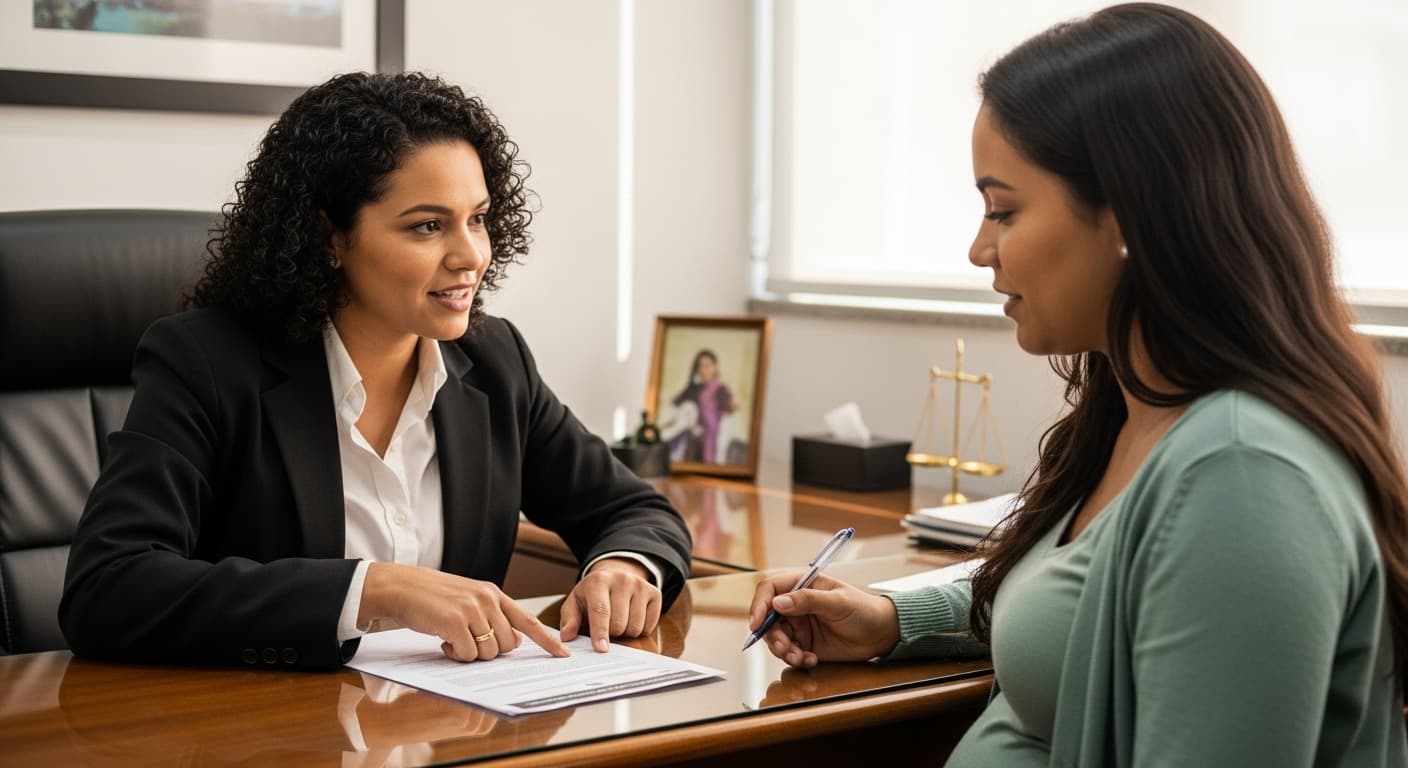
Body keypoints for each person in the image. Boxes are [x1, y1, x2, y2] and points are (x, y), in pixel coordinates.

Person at [747, 4, 1408, 766]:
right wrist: (892, 616)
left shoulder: (1243, 479)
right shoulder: (1141, 412)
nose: (978, 249)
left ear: (1129, 211)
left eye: (1004, 209)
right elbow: (1085, 596)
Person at [59, 71, 692, 670]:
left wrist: (626, 566)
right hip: (271, 736)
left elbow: (635, 510)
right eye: (426, 226)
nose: (470, 254)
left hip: (455, 729)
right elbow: (107, 588)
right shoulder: (208, 363)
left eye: (477, 218)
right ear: (329, 238)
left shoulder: (495, 362)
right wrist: (371, 590)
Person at [664, 349, 741, 463]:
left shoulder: (721, 390)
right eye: (700, 366)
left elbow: (733, 406)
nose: (704, 370)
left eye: (708, 366)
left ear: (715, 367)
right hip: (694, 444)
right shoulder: (695, 389)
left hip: (714, 444)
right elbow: (676, 405)